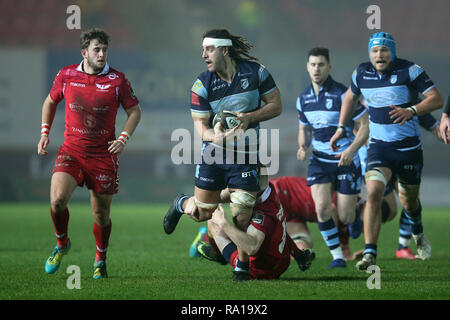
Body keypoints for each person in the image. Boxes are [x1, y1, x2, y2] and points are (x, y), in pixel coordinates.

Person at [163, 29, 282, 281]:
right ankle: (181, 203)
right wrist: (217, 137)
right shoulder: (201, 85)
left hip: (246, 154)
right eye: (203, 49)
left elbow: (276, 105)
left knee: (242, 213)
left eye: (209, 49)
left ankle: (242, 267)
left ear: (225, 50)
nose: (204, 54)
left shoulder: (256, 72)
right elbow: (201, 130)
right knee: (203, 214)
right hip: (214, 154)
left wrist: (249, 117)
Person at [329, 32, 444, 270]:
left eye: (384, 50)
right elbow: (349, 98)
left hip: (409, 150)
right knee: (373, 192)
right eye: (375, 50)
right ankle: (370, 252)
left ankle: (418, 232)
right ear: (369, 53)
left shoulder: (410, 71)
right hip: (379, 149)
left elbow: (436, 99)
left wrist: (411, 110)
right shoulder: (361, 73)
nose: (379, 55)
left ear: (392, 52)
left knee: (410, 203)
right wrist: (341, 127)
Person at [38, 28, 142, 279]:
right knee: (57, 201)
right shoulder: (67, 75)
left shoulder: (118, 81)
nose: (102, 54)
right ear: (84, 52)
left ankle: (100, 259)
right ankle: (62, 243)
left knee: (101, 214)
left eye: (105, 49)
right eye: (97, 49)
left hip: (103, 156)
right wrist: (44, 132)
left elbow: (135, 112)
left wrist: (123, 139)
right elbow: (50, 101)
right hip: (72, 150)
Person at [296, 47, 369, 268]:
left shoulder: (343, 94)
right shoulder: (303, 99)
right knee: (322, 210)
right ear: (307, 67)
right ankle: (337, 256)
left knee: (345, 217)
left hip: (345, 159)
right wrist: (302, 145)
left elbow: (365, 126)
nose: (316, 69)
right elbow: (303, 128)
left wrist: (351, 150)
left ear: (329, 67)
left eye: (320, 64)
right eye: (312, 64)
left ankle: (356, 210)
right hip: (319, 161)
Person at [195, 178, 315, 281]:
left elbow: (251, 247)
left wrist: (223, 222)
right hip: (282, 261)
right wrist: (298, 255)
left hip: (259, 270)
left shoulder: (262, 216)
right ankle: (300, 256)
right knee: (275, 229)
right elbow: (279, 229)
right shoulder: (270, 192)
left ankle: (219, 256)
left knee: (212, 219)